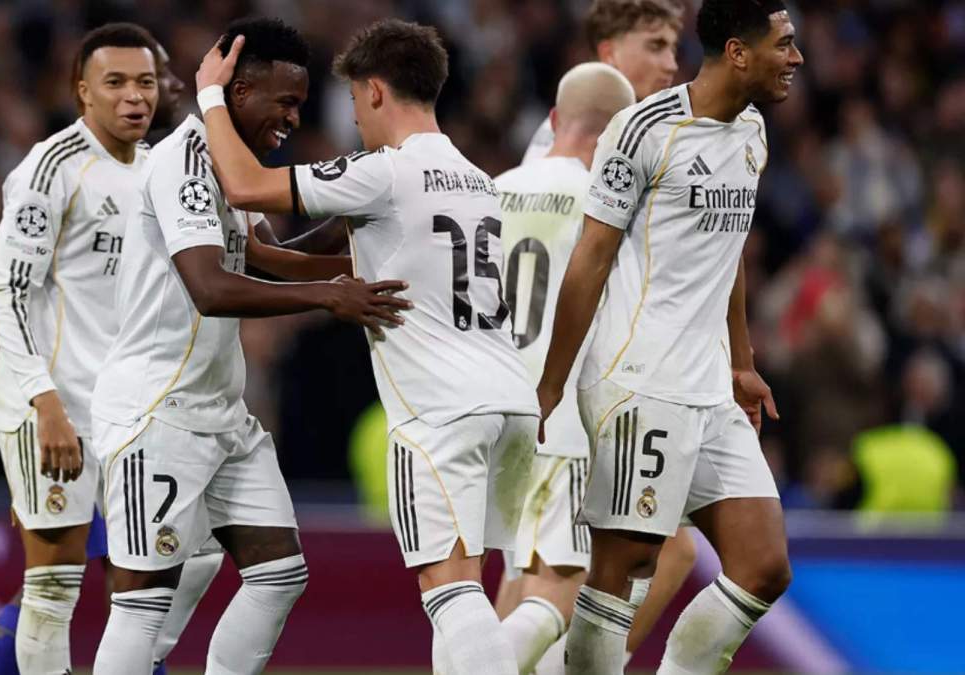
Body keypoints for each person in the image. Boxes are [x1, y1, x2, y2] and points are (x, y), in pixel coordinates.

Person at [197, 19, 540, 675]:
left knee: (449, 592)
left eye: (355, 102)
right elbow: (332, 243)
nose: (354, 120)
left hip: (440, 410)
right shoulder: (476, 179)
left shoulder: (385, 171)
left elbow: (243, 183)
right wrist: (266, 254)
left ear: (376, 91)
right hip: (509, 399)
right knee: (463, 584)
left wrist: (211, 96)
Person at [89, 17, 411, 675]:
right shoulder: (182, 158)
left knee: (279, 573)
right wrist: (329, 297)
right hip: (156, 412)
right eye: (283, 100)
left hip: (218, 414)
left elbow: (262, 259)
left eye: (300, 103)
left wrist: (346, 235)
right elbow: (210, 285)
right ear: (236, 91)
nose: (292, 117)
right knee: (142, 604)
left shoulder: (229, 166)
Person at [536, 1, 802, 672]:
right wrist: (550, 384)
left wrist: (742, 363)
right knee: (623, 571)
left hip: (710, 386)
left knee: (764, 565)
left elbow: (729, 250)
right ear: (739, 52)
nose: (796, 58)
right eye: (784, 44)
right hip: (639, 380)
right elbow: (590, 258)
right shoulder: (643, 128)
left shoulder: (752, 133)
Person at [0, 22, 159, 675]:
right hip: (53, 406)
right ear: (84, 91)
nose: (134, 96)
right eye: (115, 83)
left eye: (145, 82)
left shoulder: (161, 172)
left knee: (148, 588)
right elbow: (5, 292)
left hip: (129, 410)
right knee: (54, 588)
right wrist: (45, 402)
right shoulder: (51, 168)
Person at [494, 63, 636, 675]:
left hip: (498, 415)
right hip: (567, 422)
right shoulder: (605, 205)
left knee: (519, 577)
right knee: (562, 584)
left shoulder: (489, 189)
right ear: (614, 139)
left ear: (553, 120)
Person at [522, 0, 683, 163]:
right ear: (609, 54)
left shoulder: (662, 136)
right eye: (656, 46)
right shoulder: (566, 130)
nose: (672, 65)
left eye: (673, 49)